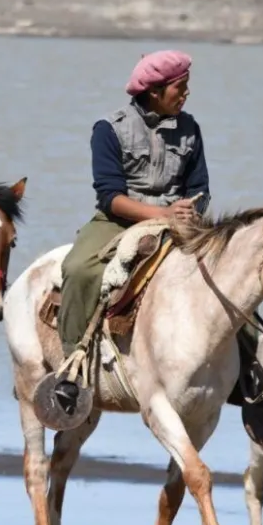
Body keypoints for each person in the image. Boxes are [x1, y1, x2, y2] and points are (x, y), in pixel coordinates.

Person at [50, 49, 211, 409]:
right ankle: (70, 369)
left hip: (179, 219)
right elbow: (110, 196)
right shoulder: (109, 129)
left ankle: (250, 377)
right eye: (180, 87)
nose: (186, 94)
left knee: (225, 272)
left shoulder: (191, 128)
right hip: (118, 220)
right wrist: (161, 214)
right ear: (155, 91)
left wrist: (189, 211)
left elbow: (200, 187)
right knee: (78, 270)